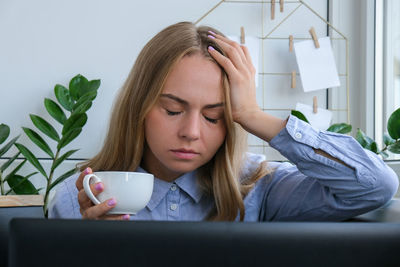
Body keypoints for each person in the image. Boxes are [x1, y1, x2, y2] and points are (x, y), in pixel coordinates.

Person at [49, 21, 399, 221]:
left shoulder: (259, 188)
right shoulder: (80, 197)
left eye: (214, 117)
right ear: (138, 107)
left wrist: (253, 115)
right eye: (172, 110)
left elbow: (375, 185)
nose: (190, 132)